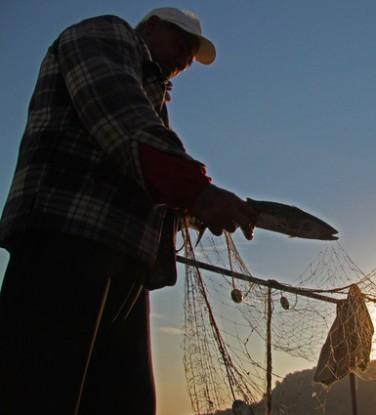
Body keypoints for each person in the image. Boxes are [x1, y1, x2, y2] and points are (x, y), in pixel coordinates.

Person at [0, 7, 256, 414]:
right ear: (151, 26)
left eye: (190, 60)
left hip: (125, 262)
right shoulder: (107, 35)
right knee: (41, 391)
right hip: (65, 240)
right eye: (182, 45)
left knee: (125, 401)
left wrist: (193, 209)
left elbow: (144, 175)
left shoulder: (153, 97)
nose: (183, 62)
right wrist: (199, 193)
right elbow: (121, 122)